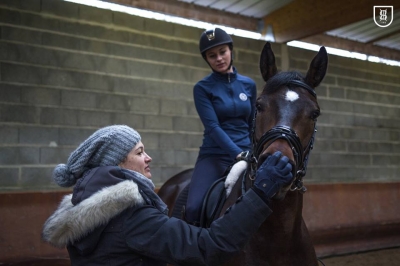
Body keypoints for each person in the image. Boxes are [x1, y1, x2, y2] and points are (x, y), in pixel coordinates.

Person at [42, 125, 293, 266]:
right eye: (139, 152)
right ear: (117, 163)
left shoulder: (83, 206)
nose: (148, 158)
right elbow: (209, 247)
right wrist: (260, 191)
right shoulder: (131, 217)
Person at [185, 28, 258, 225]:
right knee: (193, 207)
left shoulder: (248, 85)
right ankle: (193, 251)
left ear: (231, 51)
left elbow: (253, 123)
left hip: (248, 152)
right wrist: (237, 154)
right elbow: (212, 127)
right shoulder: (202, 88)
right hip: (215, 155)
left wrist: (254, 151)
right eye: (212, 55)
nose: (219, 58)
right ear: (206, 59)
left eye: (222, 52)